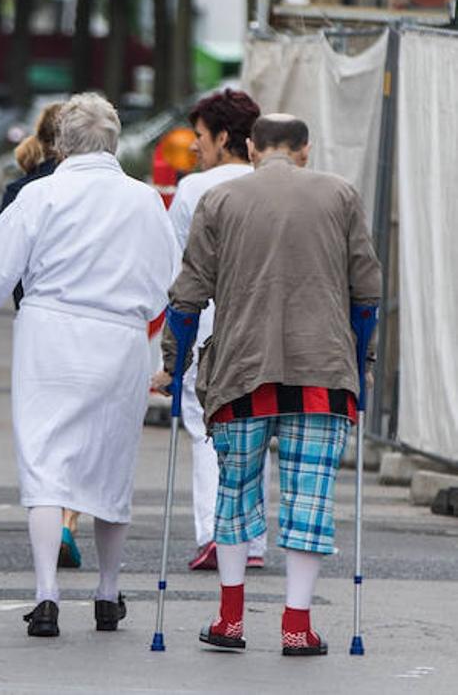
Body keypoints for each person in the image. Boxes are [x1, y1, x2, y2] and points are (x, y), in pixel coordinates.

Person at [0, 93, 178, 638]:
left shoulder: (41, 195)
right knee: (112, 466)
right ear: (114, 142)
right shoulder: (145, 202)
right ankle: (107, 591)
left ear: (61, 143)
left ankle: (46, 593)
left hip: (50, 334)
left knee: (46, 465)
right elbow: (168, 277)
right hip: (119, 338)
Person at [164, 113, 382, 656]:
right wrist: (363, 360)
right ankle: (296, 624)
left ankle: (231, 621)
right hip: (323, 375)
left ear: (254, 150)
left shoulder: (221, 201)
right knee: (310, 497)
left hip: (242, 371)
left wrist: (175, 363)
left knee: (235, 494)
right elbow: (367, 292)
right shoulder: (341, 196)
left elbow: (188, 295)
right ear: (305, 149)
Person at [158, 89, 269, 572]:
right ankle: (256, 539)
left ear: (224, 137)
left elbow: (178, 266)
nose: (195, 147)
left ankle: (215, 534)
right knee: (258, 422)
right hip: (267, 319)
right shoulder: (271, 184)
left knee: (205, 424)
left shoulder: (194, 190)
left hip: (210, 319)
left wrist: (168, 352)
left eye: (201, 137)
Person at [0, 104, 86, 570]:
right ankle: (71, 520)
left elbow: (9, 263)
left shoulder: (21, 190)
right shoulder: (103, 188)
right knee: (83, 430)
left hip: (39, 321)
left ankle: (52, 525)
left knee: (46, 433)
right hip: (94, 325)